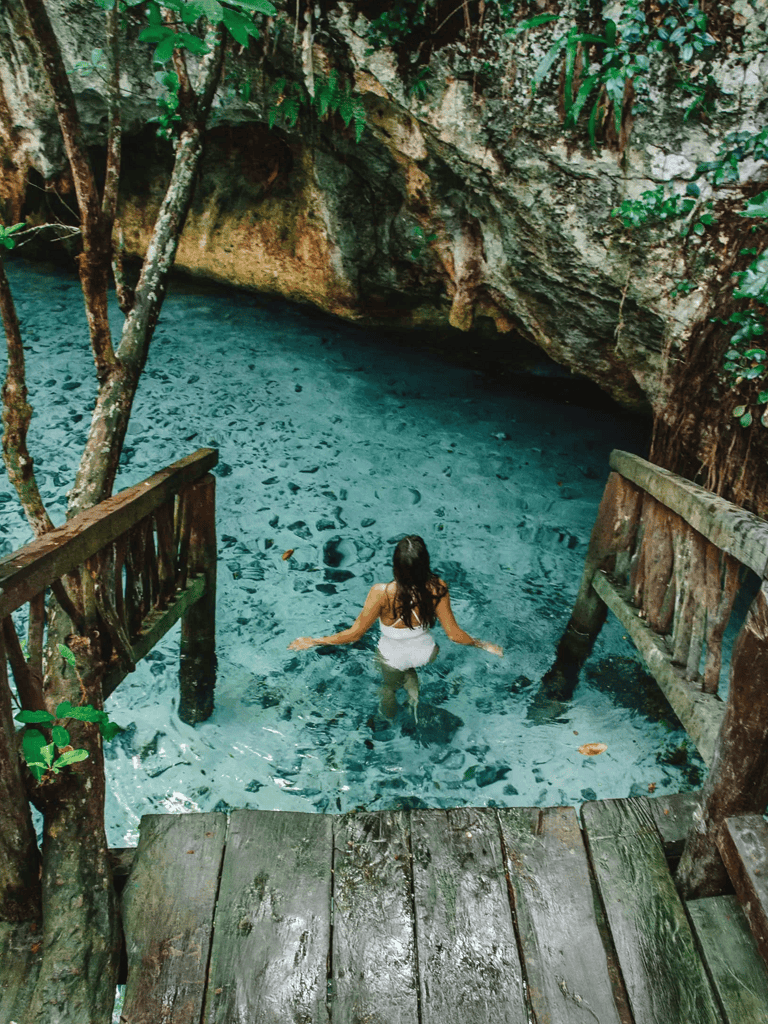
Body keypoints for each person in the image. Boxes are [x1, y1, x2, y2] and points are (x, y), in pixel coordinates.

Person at [288, 535, 503, 721]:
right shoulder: (438, 587)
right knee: (409, 667)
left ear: (396, 566)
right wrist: (483, 645)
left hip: (393, 657)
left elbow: (354, 634)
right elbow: (454, 635)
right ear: (425, 563)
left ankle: (387, 722)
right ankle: (414, 698)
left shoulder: (381, 592)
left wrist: (314, 641)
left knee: (388, 688)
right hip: (427, 652)